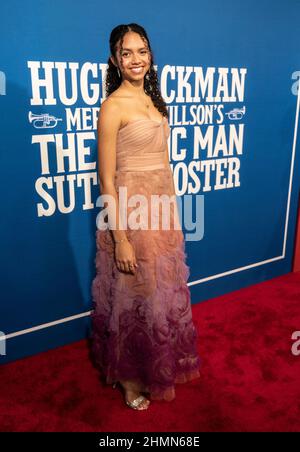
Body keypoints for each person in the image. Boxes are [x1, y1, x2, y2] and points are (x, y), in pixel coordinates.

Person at [90, 23, 201, 411]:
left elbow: (163, 163)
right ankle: (129, 378)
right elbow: (106, 177)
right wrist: (120, 236)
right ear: (114, 60)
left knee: (157, 293)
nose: (135, 59)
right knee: (130, 294)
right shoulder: (113, 105)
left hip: (160, 211)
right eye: (126, 53)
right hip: (130, 212)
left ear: (150, 56)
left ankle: (155, 366)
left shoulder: (155, 100)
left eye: (142, 51)